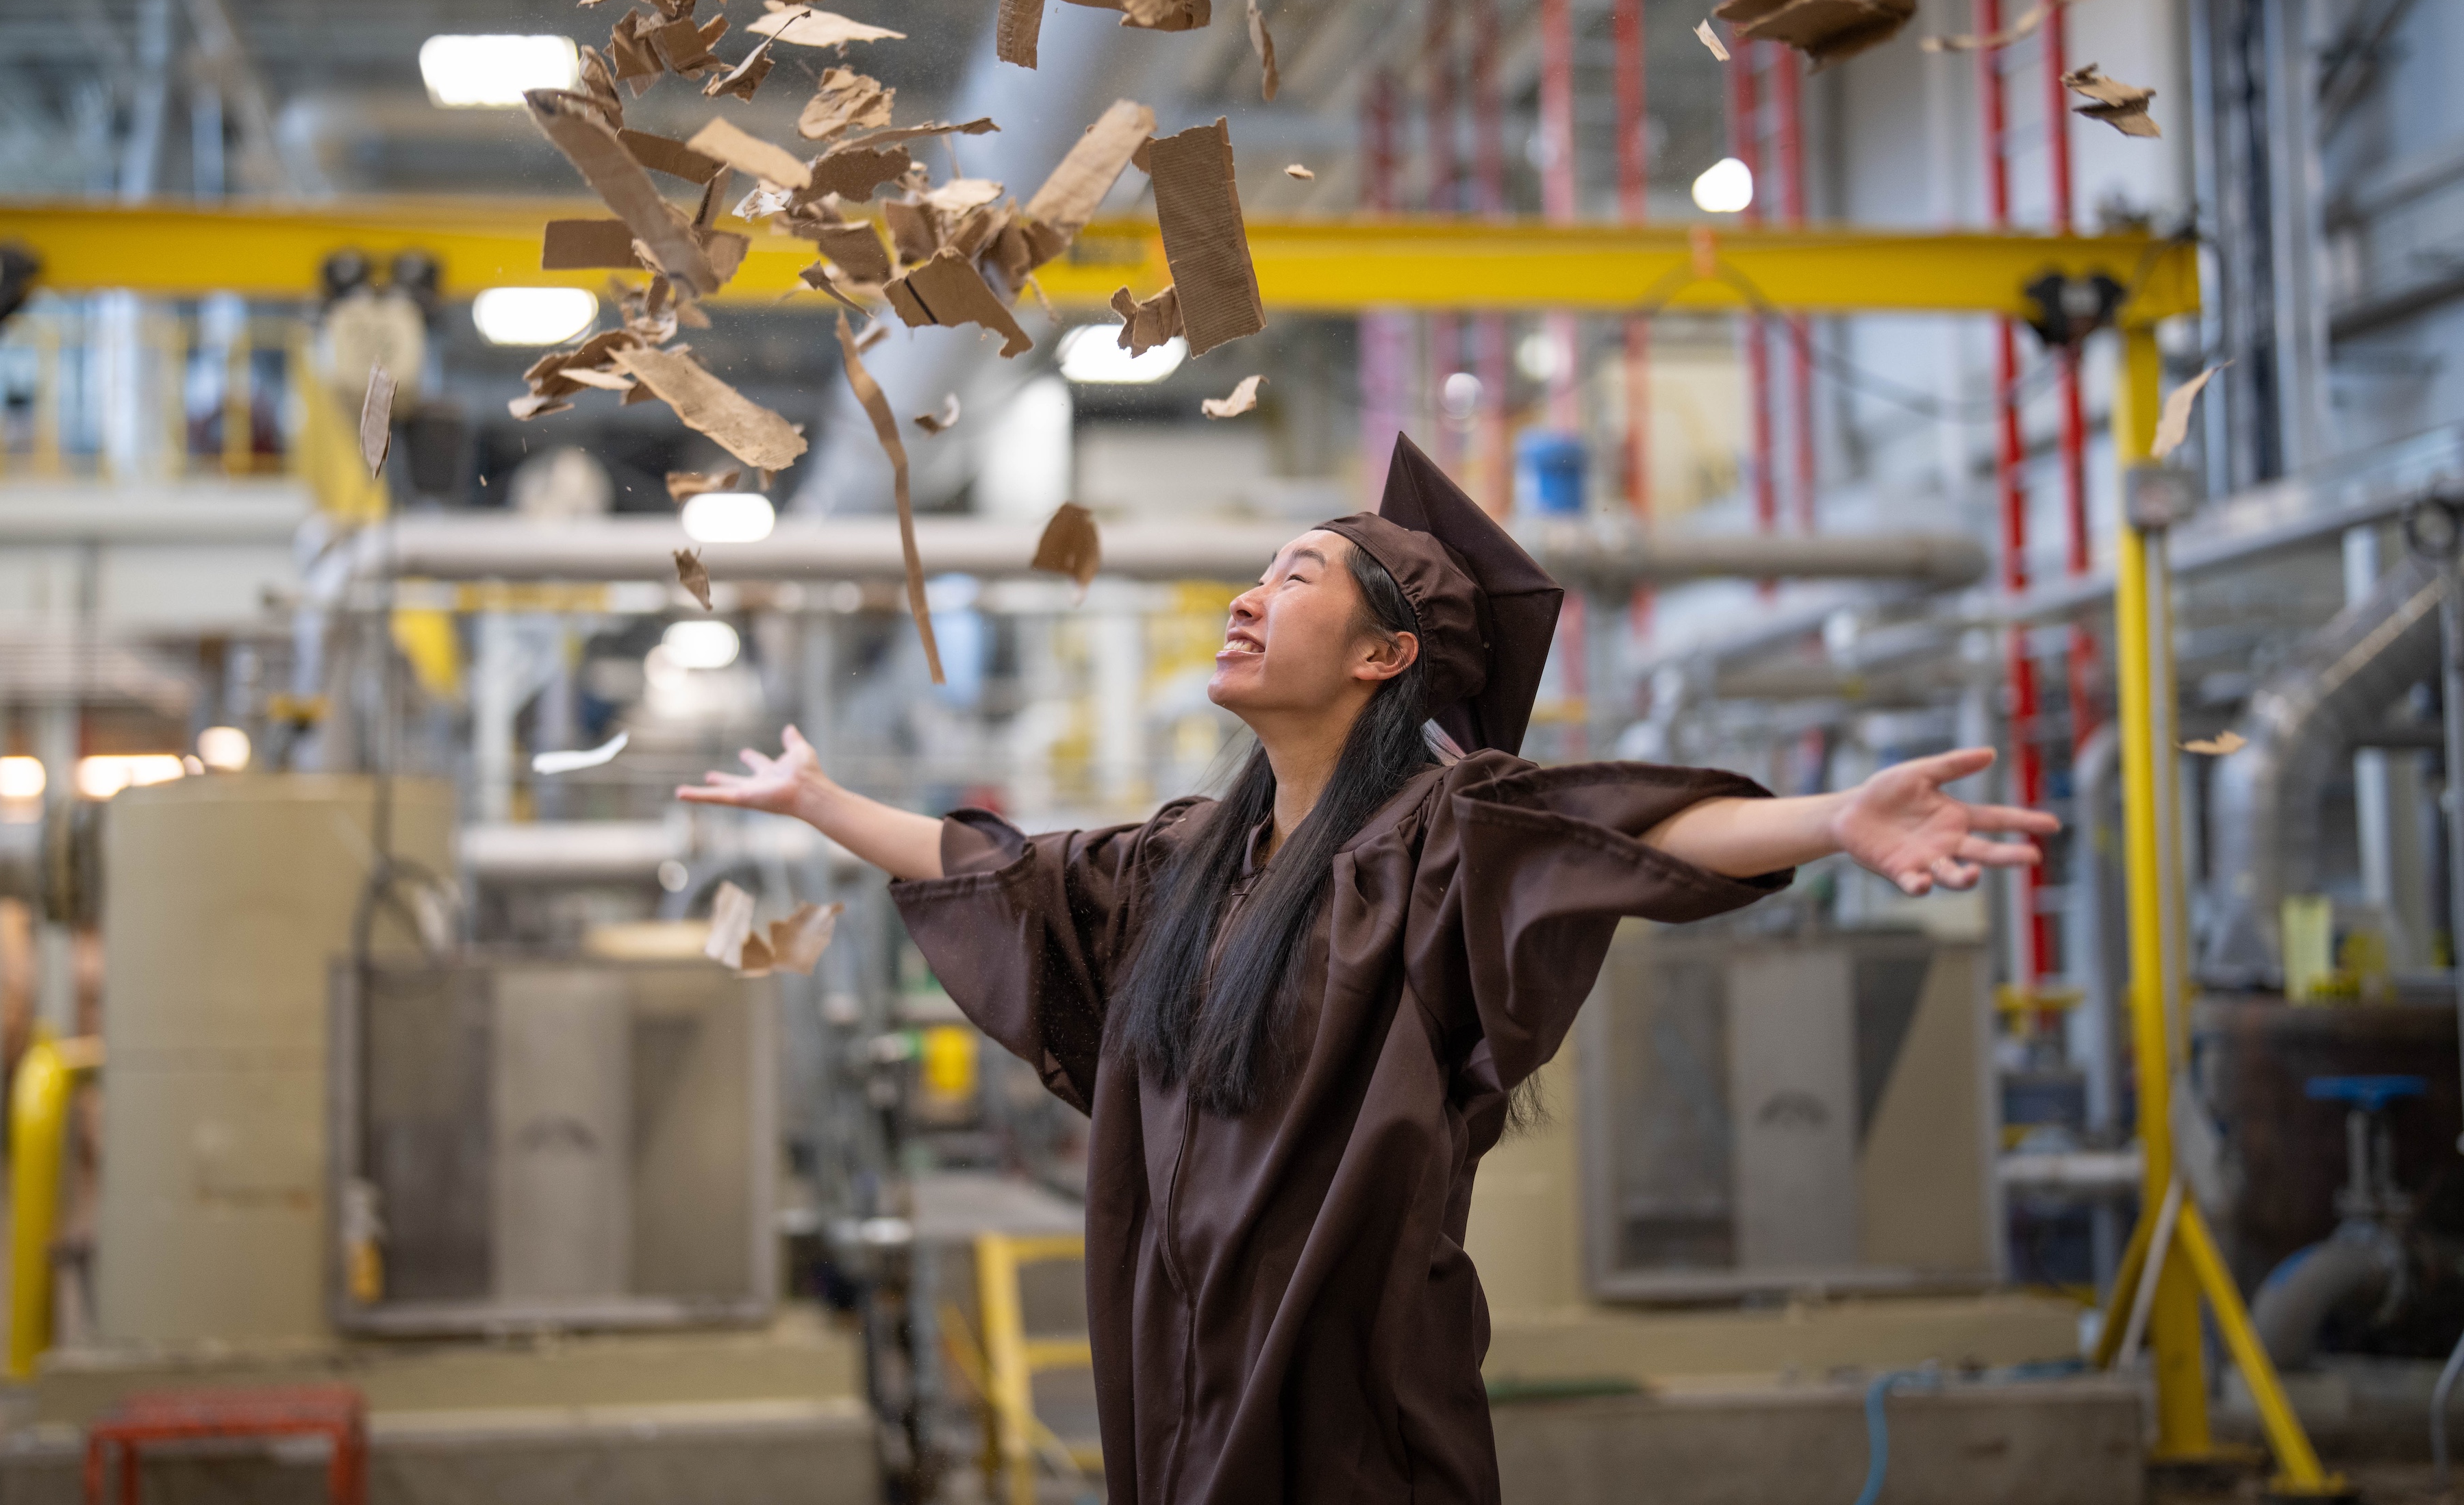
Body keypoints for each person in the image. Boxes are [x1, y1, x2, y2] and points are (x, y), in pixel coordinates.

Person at [679, 434, 2056, 1505]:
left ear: (1385, 653)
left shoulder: (1436, 841)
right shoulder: (1181, 863)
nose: (1244, 593)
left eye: (1292, 576)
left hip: (1349, 1398)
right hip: (1176, 1376)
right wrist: (820, 800)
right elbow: (997, 867)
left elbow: (1610, 825)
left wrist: (1829, 818)